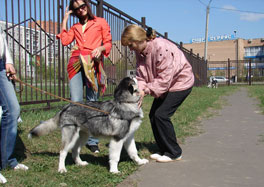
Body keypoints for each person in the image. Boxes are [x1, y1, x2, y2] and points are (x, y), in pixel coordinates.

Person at [121, 25, 194, 162]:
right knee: (153, 115)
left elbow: (164, 80)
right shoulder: (140, 52)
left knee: (161, 115)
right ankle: (164, 150)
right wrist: (139, 91)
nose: (130, 49)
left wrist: (146, 90)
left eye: (131, 45)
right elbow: (141, 76)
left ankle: (174, 153)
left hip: (181, 82)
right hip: (167, 84)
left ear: (138, 40)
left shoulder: (161, 47)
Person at [56, 0, 112, 153]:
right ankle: (76, 137)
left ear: (87, 5)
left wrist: (100, 48)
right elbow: (65, 40)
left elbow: (108, 43)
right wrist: (65, 19)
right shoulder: (75, 27)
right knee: (76, 102)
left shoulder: (100, 22)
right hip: (75, 63)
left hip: (92, 63)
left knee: (92, 102)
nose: (80, 10)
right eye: (76, 9)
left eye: (82, 6)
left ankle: (92, 140)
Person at [0, 32, 29, 177]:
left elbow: (1, 37)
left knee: (12, 110)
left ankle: (7, 161)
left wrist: (8, 61)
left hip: (0, 65)